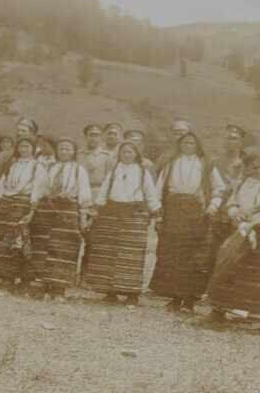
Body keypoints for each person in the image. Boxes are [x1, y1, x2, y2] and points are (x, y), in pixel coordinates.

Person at [206, 150, 260, 327]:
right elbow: (232, 203)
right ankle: (221, 310)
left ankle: (257, 316)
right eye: (254, 167)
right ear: (247, 168)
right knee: (230, 266)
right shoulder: (242, 184)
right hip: (242, 230)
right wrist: (236, 214)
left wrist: (254, 222)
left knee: (258, 276)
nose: (259, 171)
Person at [150, 131, 225, 313]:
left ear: (198, 146)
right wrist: (158, 212)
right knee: (175, 256)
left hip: (197, 215)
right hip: (174, 213)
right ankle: (175, 298)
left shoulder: (206, 164)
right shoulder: (171, 163)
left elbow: (219, 188)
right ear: (179, 145)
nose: (188, 146)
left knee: (195, 257)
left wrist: (213, 207)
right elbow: (158, 190)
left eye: (192, 143)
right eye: (185, 142)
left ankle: (190, 300)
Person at [82, 141, 161, 305]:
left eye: (130, 152)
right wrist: (96, 210)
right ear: (119, 155)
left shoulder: (142, 172)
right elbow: (104, 192)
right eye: (124, 152)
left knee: (131, 256)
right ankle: (111, 291)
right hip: (112, 214)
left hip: (134, 216)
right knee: (109, 253)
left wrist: (157, 213)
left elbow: (151, 194)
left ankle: (132, 294)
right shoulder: (113, 172)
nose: (127, 155)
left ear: (136, 155)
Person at [24, 137, 92, 299]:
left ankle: (59, 288)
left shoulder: (78, 170)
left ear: (74, 152)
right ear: (56, 151)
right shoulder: (47, 168)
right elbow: (38, 190)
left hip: (68, 212)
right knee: (43, 246)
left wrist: (83, 217)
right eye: (61, 148)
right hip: (46, 210)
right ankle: (43, 285)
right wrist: (33, 210)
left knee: (64, 248)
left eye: (68, 149)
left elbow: (84, 194)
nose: (64, 152)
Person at [0, 137, 41, 290]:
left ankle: (22, 278)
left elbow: (37, 188)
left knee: (19, 242)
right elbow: (3, 184)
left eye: (27, 146)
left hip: (23, 205)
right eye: (22, 146)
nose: (24, 149)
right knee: (4, 241)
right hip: (7, 205)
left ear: (33, 149)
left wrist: (32, 210)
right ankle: (6, 277)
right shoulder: (12, 165)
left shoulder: (37, 167)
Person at [205, 124, 249, 276]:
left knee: (235, 252)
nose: (230, 141)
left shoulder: (249, 163)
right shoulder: (215, 162)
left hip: (239, 213)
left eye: (234, 138)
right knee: (212, 251)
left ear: (242, 141)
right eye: (228, 138)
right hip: (217, 212)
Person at [79, 124, 115, 198]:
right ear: (85, 137)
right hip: (79, 192)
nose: (93, 138)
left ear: (101, 138)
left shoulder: (108, 156)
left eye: (97, 135)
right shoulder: (78, 155)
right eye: (91, 135)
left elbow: (111, 179)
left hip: (99, 193)